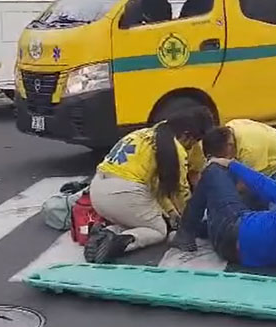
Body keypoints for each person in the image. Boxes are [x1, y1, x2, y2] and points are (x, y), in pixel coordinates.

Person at [85, 108, 214, 263]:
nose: (194, 145)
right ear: (187, 135)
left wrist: (171, 212)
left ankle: (104, 233)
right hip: (124, 194)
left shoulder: (143, 134)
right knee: (158, 230)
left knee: (141, 220)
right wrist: (189, 222)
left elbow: (157, 187)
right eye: (195, 141)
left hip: (97, 191)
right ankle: (117, 243)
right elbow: (180, 191)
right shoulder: (175, 150)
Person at [170, 158, 276, 269]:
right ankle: (202, 228)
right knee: (255, 200)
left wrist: (231, 163)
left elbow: (264, 185)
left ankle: (185, 232)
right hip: (238, 255)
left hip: (230, 232)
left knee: (215, 170)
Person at [201, 119, 276, 187]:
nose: (226, 160)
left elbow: (248, 182)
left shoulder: (250, 149)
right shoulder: (232, 125)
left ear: (229, 145)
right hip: (266, 163)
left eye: (225, 157)